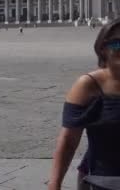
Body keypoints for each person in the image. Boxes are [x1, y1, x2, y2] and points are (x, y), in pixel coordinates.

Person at [48, 18, 120, 190]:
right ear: (103, 49)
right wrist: (54, 184)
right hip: (102, 180)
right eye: (118, 44)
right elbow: (68, 140)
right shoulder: (88, 85)